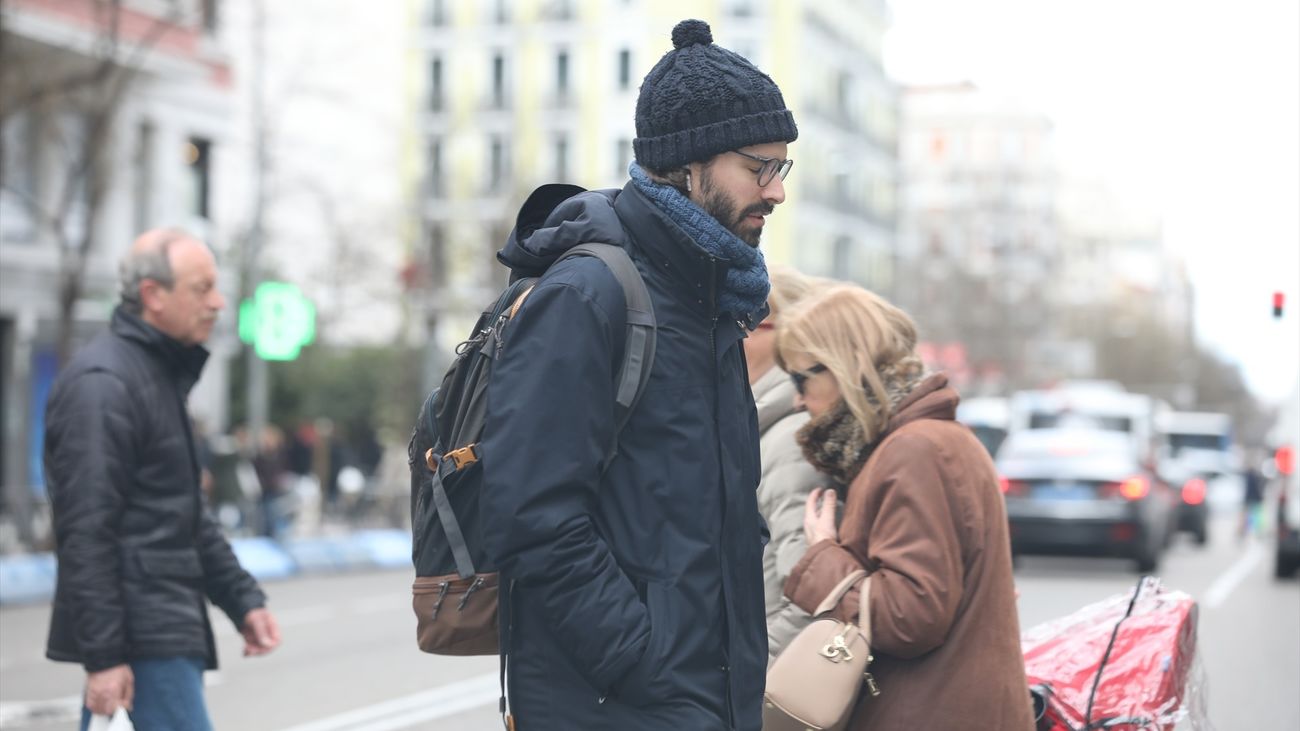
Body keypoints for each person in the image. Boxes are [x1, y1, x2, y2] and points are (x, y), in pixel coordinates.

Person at [478, 18, 797, 730]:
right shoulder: (589, 294)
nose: (776, 191)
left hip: (704, 696)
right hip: (621, 701)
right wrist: (641, 664)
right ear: (689, 165)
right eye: (759, 166)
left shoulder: (713, 297)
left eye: (782, 168)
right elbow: (531, 513)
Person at [43, 229, 281, 731]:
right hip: (141, 641)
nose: (218, 303)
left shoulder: (152, 376)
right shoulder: (104, 386)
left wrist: (242, 599)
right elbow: (85, 533)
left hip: (159, 632)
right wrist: (105, 657)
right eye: (202, 288)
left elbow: (184, 513)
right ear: (153, 295)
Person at [775, 286, 1034, 731]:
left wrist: (823, 557)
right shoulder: (924, 441)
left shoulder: (914, 450)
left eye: (801, 379)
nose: (798, 399)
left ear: (844, 365)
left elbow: (912, 616)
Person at [744, 265, 828, 662]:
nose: (730, 332)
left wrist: (753, 679)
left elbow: (807, 596)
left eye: (747, 321)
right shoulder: (759, 424)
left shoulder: (792, 441)